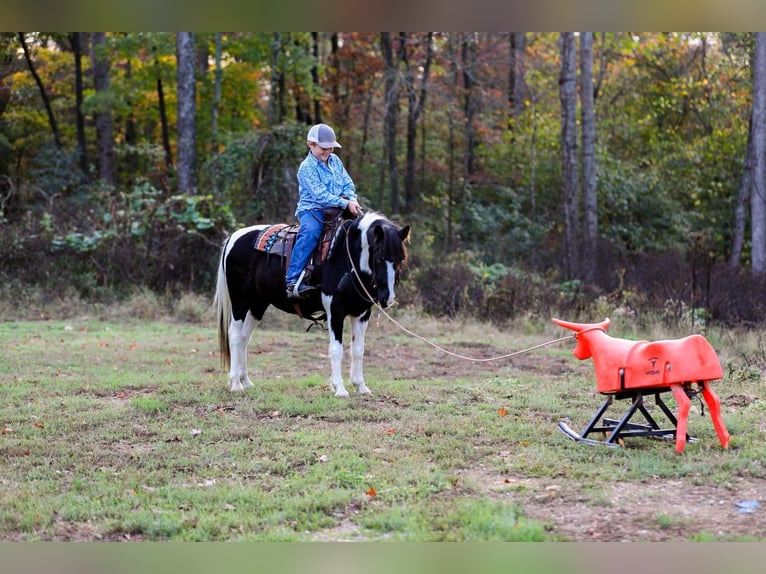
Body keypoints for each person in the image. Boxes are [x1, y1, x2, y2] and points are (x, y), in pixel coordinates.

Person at [285, 123, 362, 299]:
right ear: (311, 145)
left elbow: (347, 183)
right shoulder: (306, 168)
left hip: (337, 208)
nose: (328, 152)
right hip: (313, 209)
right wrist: (345, 203)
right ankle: (292, 280)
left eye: (331, 148)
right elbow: (320, 195)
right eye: (324, 148)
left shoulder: (335, 161)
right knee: (311, 232)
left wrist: (352, 199)